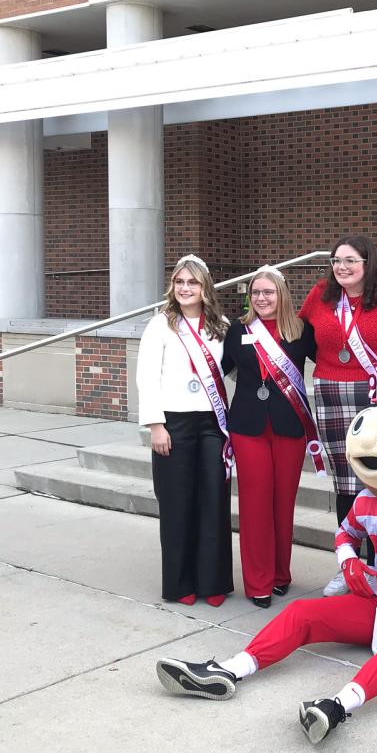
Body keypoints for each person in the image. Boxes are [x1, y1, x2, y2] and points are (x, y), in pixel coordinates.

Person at [155, 372, 377, 745]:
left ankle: (336, 707)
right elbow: (346, 533)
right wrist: (348, 560)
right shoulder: (368, 499)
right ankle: (228, 671)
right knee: (302, 613)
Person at [299, 235, 377, 596]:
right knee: (347, 484)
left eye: (351, 260)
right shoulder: (321, 294)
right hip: (333, 395)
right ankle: (349, 567)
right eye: (336, 261)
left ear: (368, 263)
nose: (343, 267)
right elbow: (300, 340)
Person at [137, 254, 233, 608]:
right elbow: (146, 377)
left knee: (213, 500)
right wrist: (156, 425)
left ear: (204, 286)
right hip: (173, 424)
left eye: (192, 282)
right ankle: (180, 584)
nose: (185, 288)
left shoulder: (219, 325)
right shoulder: (160, 325)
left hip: (212, 424)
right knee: (177, 503)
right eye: (179, 282)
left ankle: (214, 580)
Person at [222, 265, 319, 608]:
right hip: (248, 427)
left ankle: (280, 575)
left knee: (283, 504)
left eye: (269, 292)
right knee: (255, 504)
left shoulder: (301, 331)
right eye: (256, 293)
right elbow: (226, 369)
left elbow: (326, 361)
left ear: (282, 294)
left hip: (289, 425)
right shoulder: (237, 330)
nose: (262, 298)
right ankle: (258, 581)